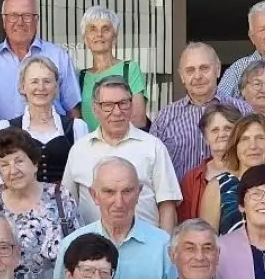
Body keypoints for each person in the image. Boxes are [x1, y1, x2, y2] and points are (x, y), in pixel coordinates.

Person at [62, 78, 182, 233]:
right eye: (108, 105)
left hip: (143, 247)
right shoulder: (79, 150)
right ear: (95, 109)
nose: (117, 112)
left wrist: (165, 250)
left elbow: (167, 205)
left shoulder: (153, 147)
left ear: (131, 106)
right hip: (92, 250)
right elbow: (68, 203)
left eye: (123, 103)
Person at [0, 128, 79, 279]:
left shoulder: (60, 197)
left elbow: (78, 250)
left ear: (34, 164)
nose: (13, 171)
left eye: (19, 161)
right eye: (4, 165)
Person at [0, 0, 81, 120]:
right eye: (13, 15)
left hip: (49, 138)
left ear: (36, 20)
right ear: (4, 20)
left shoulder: (58, 56)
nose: (20, 22)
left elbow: (73, 109)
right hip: (3, 139)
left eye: (27, 16)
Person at [149, 42, 251, 178]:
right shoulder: (165, 117)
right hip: (181, 198)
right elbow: (151, 164)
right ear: (182, 76)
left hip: (230, 196)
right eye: (190, 70)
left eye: (204, 68)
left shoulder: (243, 111)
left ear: (218, 69)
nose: (197, 76)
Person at [0, 55, 89, 185]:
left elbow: (84, 177)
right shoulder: (6, 129)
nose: (41, 87)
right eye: (34, 81)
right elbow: (0, 180)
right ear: (22, 87)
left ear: (56, 87)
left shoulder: (76, 128)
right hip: (21, 204)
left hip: (65, 204)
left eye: (47, 81)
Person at [200, 114, 265, 235]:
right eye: (245, 139)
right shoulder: (218, 187)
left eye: (260, 138)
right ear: (235, 146)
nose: (253, 146)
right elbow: (207, 241)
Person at [78, 6, 149, 131]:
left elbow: (138, 120)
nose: (99, 34)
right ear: (85, 39)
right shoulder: (80, 78)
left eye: (105, 29)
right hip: (90, 148)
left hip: (124, 148)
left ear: (114, 38)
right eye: (92, 29)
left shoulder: (129, 69)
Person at [178, 104, 243, 223]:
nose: (222, 134)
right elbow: (185, 224)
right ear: (205, 138)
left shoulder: (248, 171)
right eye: (215, 130)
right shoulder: (192, 179)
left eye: (228, 128)